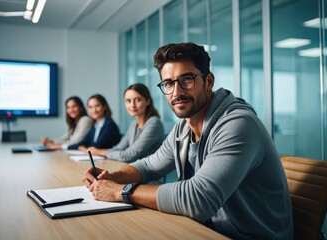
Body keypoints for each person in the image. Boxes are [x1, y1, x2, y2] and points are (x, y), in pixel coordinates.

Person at [82, 42, 293, 239]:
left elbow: (198, 198)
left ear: (208, 81)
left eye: (187, 79)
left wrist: (120, 191)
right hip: (208, 230)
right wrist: (111, 177)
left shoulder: (238, 124)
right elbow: (149, 166)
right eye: (168, 83)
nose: (177, 92)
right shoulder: (184, 126)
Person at [87, 83, 164, 163]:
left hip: (149, 173)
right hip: (134, 168)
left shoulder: (154, 123)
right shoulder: (134, 124)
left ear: (147, 101)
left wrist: (99, 152)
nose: (132, 105)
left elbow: (128, 155)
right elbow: (119, 148)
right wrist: (103, 152)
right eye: (128, 101)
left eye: (138, 100)